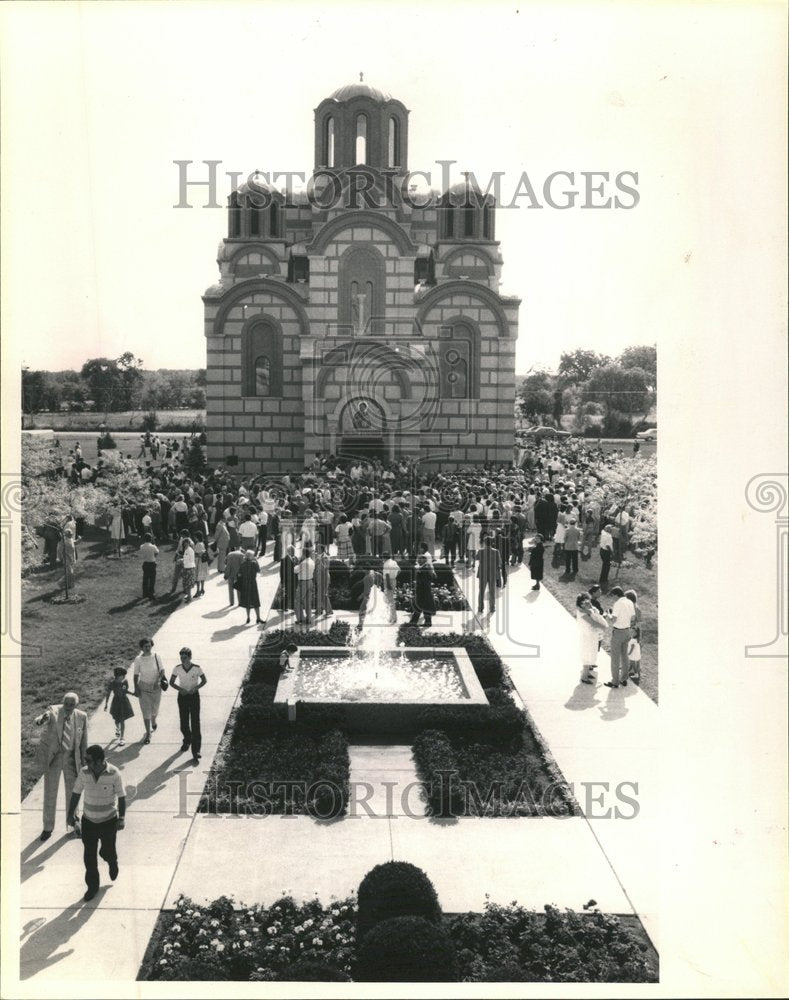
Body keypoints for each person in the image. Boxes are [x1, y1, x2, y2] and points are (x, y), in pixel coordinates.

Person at [67, 744, 126, 902]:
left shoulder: (114, 773)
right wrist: (70, 815)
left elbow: (121, 797)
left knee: (108, 850)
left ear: (99, 761)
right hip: (89, 822)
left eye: (88, 760)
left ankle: (111, 860)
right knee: (89, 856)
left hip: (108, 821)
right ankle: (92, 887)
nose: (85, 762)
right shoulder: (84, 772)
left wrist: (122, 818)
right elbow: (76, 793)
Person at [34, 692, 88, 841]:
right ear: (63, 703)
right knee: (50, 793)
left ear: (76, 705)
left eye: (72, 705)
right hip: (54, 758)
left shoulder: (82, 716)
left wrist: (84, 763)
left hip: (72, 759)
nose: (69, 707)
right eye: (66, 704)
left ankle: (73, 824)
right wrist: (41, 719)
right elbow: (42, 719)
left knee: (73, 793)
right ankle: (47, 828)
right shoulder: (54, 711)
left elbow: (84, 742)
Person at [169, 647, 206, 766]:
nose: (183, 659)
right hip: (183, 696)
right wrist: (181, 690)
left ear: (190, 657)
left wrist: (196, 688)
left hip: (194, 696)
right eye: (181, 657)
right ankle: (187, 740)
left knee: (195, 722)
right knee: (184, 721)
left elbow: (204, 680)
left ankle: (196, 750)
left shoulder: (197, 668)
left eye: (185, 657)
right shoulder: (177, 668)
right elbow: (171, 682)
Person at [132, 638, 166, 744]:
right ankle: (148, 733)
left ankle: (153, 720)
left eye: (149, 646)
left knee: (154, 710)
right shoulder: (138, 659)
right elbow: (136, 675)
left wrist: (158, 681)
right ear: (141, 648)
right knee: (146, 711)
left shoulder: (156, 656)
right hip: (144, 688)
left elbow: (162, 670)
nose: (147, 648)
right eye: (145, 646)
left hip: (156, 687)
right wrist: (136, 688)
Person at [605, 586, 636, 689]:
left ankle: (615, 682)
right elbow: (633, 617)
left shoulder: (617, 603)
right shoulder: (630, 602)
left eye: (613, 596)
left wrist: (608, 614)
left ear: (616, 595)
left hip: (618, 632)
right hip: (627, 631)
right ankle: (624, 678)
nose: (613, 598)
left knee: (615, 658)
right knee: (625, 656)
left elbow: (613, 620)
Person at [576, 593, 608, 684]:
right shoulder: (582, 613)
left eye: (588, 601)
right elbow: (593, 623)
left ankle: (587, 673)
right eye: (585, 602)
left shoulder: (586, 610)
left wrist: (591, 608)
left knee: (591, 653)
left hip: (591, 635)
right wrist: (603, 627)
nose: (588, 603)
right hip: (587, 636)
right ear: (581, 603)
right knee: (587, 655)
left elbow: (594, 613)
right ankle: (584, 677)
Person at [104, 667, 134, 745]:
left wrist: (132, 694)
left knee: (122, 720)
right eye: (122, 675)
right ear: (117, 676)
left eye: (124, 675)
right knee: (116, 719)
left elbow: (125, 690)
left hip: (124, 702)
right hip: (116, 702)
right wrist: (106, 704)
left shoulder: (125, 682)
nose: (124, 677)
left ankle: (122, 738)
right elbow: (108, 693)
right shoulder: (112, 683)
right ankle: (118, 729)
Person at [476, 535, 502, 616]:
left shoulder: (480, 551)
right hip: (492, 574)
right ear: (492, 543)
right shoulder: (496, 551)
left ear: (484, 542)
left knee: (481, 592)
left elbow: (476, 558)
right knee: (492, 592)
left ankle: (480, 608)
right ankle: (492, 608)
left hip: (482, 573)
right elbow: (499, 564)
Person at [235, 549, 263, 625]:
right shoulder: (254, 563)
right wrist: (256, 560)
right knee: (255, 601)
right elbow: (259, 570)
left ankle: (248, 617)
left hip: (245, 584)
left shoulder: (243, 564)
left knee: (247, 602)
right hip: (253, 583)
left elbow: (239, 574)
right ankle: (258, 618)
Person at [408, 555, 437, 628]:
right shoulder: (426, 567)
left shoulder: (424, 569)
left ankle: (413, 622)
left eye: (419, 559)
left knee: (419, 606)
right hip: (426, 590)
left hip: (423, 590)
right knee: (424, 607)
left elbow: (423, 581)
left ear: (424, 560)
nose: (418, 561)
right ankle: (427, 622)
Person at [294, 547, 315, 628]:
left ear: (303, 553)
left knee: (298, 601)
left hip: (303, 582)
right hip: (310, 581)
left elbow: (295, 570)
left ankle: (300, 619)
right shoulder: (311, 561)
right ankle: (309, 619)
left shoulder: (303, 563)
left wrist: (297, 563)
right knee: (307, 602)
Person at [314, 544, 332, 619]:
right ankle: (319, 609)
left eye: (317, 548)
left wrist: (319, 561)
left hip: (324, 578)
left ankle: (329, 610)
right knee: (319, 594)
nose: (316, 550)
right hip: (319, 578)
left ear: (321, 549)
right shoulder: (318, 557)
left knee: (324, 594)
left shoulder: (325, 557)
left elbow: (325, 568)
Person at [139, 532, 159, 599]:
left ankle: (145, 593)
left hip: (145, 563)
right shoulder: (153, 547)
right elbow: (157, 553)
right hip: (152, 563)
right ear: (151, 539)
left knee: (145, 578)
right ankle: (151, 593)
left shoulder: (142, 546)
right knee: (152, 579)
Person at [382, 551, 400, 624]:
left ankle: (393, 618)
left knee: (390, 600)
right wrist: (394, 577)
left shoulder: (386, 564)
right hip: (393, 580)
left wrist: (388, 584)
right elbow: (399, 570)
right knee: (388, 599)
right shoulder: (394, 562)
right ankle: (390, 617)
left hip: (388, 581)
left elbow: (387, 575)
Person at [193, 531, 210, 597]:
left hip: (199, 562)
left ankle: (198, 591)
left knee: (198, 577)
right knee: (202, 576)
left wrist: (194, 553)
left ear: (197, 537)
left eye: (195, 537)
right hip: (204, 562)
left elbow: (198, 554)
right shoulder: (203, 543)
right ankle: (202, 589)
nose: (194, 538)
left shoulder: (198, 544)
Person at [181, 534, 196, 602]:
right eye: (184, 543)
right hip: (188, 567)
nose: (185, 544)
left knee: (188, 584)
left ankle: (189, 597)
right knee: (187, 583)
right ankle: (188, 596)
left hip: (189, 568)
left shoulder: (188, 550)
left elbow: (188, 560)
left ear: (189, 543)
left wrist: (181, 561)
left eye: (186, 543)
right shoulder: (188, 550)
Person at [598, 522, 614, 588]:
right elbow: (607, 545)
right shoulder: (608, 536)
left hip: (602, 550)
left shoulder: (603, 534)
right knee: (606, 566)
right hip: (606, 552)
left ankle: (603, 578)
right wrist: (612, 552)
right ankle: (604, 579)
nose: (612, 530)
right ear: (609, 530)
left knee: (605, 565)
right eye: (611, 529)